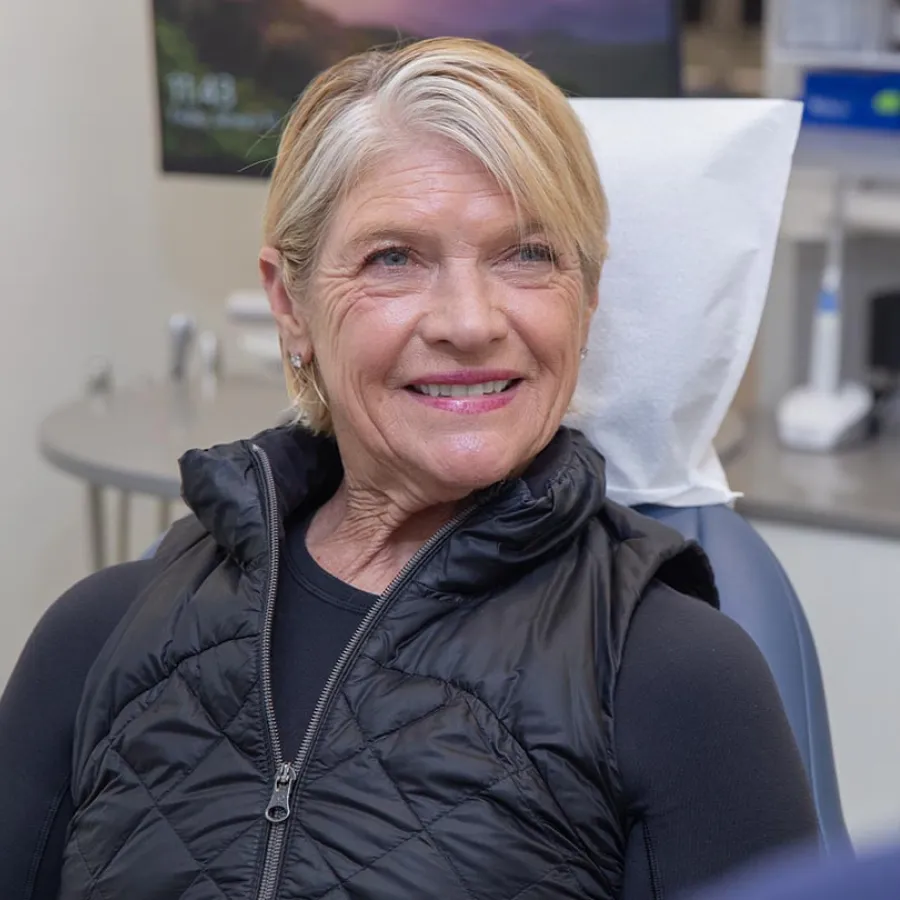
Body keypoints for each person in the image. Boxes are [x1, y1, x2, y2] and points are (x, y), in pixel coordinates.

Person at [0, 38, 818, 900]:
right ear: (292, 302)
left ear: (588, 296)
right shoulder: (97, 639)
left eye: (528, 254)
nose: (469, 321)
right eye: (394, 258)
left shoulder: (674, 678)